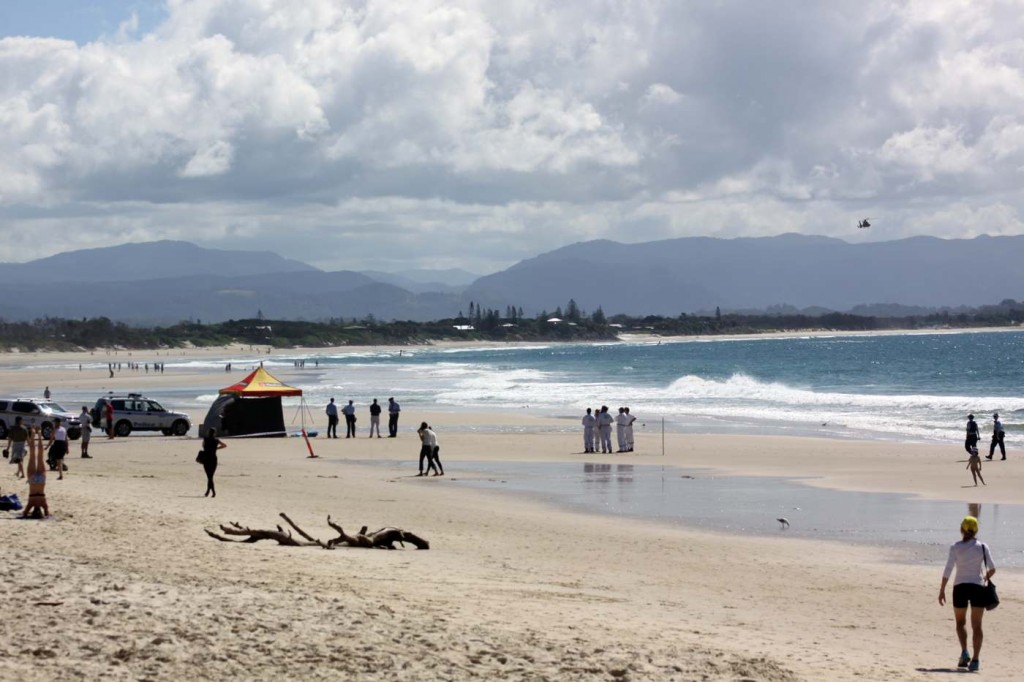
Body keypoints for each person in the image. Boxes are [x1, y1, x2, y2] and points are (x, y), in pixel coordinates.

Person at [939, 516, 996, 672]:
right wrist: (985, 577)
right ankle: (976, 660)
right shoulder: (983, 547)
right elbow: (992, 568)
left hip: (960, 588)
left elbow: (948, 569)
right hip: (977, 587)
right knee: (977, 625)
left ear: (961, 529)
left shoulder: (955, 547)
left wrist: (942, 589)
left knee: (960, 623)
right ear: (976, 530)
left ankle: (964, 652)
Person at [21, 427, 49, 519]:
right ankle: (34, 434)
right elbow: (25, 513)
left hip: (41, 481)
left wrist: (45, 512)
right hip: (32, 481)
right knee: (32, 455)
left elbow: (46, 513)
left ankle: (39, 435)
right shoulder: (31, 504)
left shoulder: (43, 503)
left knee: (40, 456)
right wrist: (27, 513)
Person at [200, 427, 227, 497]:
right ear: (214, 433)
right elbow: (224, 445)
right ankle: (209, 491)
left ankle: (212, 492)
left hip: (206, 459)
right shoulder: (216, 440)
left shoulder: (205, 439)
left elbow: (203, 446)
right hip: (213, 459)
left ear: (208, 433)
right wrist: (216, 448)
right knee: (210, 476)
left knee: (209, 476)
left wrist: (208, 448)